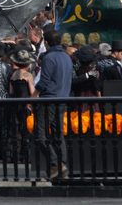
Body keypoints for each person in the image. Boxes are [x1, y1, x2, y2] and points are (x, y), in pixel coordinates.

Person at [34, 30, 72, 179]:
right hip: (62, 99)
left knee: (40, 135)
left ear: (47, 43)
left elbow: (44, 81)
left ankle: (56, 164)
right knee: (58, 135)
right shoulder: (67, 57)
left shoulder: (49, 58)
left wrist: (33, 96)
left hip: (49, 100)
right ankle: (62, 164)